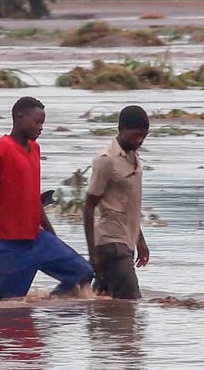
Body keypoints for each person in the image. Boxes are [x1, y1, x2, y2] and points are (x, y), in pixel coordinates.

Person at [0, 96, 93, 301]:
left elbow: (34, 199)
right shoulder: (0, 149)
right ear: (19, 118)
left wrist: (53, 237)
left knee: (83, 274)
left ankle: (49, 310)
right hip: (7, 245)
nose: (41, 127)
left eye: (42, 122)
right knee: (8, 308)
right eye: (37, 122)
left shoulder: (35, 149)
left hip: (37, 239)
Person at [83, 105, 150, 299]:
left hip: (126, 243)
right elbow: (88, 208)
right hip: (111, 244)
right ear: (121, 130)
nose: (140, 140)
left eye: (144, 136)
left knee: (103, 303)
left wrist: (141, 242)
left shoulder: (133, 157)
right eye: (136, 135)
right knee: (131, 303)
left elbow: (130, 206)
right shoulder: (106, 161)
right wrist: (92, 255)